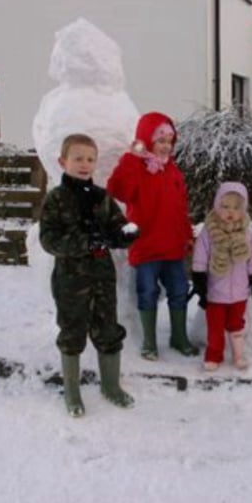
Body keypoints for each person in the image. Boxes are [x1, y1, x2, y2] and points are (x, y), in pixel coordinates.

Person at [39, 133, 139, 417]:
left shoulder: (101, 197)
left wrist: (125, 234)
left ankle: (111, 387)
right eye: (78, 158)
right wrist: (85, 243)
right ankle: (72, 393)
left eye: (90, 159)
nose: (85, 164)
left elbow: (117, 226)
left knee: (108, 330)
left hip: (102, 277)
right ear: (63, 161)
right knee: (72, 332)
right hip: (71, 280)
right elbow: (49, 239)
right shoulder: (56, 199)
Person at [106, 111, 199, 360]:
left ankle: (178, 337)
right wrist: (132, 157)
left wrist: (187, 235)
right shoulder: (138, 168)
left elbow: (181, 209)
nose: (166, 146)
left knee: (179, 289)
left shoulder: (174, 172)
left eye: (169, 141)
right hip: (146, 246)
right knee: (147, 292)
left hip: (173, 246)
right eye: (160, 140)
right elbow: (118, 190)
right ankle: (149, 341)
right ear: (146, 140)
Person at [190, 182, 252, 371]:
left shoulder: (247, 234)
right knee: (215, 328)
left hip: (240, 291)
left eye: (236, 207)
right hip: (215, 292)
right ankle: (214, 355)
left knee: (236, 325)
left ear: (243, 209)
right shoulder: (209, 233)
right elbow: (200, 257)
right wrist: (200, 280)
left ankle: (239, 355)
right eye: (225, 207)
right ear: (216, 206)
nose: (230, 212)